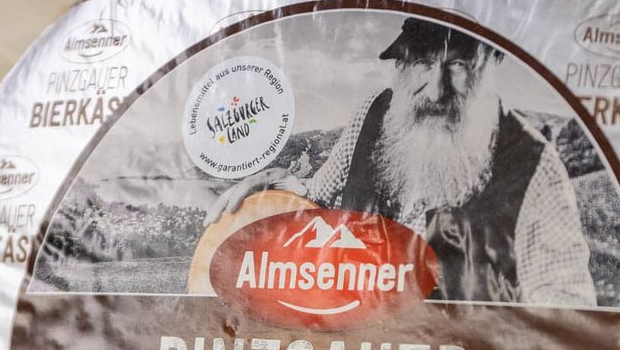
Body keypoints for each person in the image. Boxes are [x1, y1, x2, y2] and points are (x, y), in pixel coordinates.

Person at [211, 18, 598, 306]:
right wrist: (278, 189)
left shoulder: (534, 169)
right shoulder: (375, 114)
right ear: (401, 66)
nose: (436, 89)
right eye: (423, 63)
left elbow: (567, 309)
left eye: (459, 65)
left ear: (488, 68)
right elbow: (321, 203)